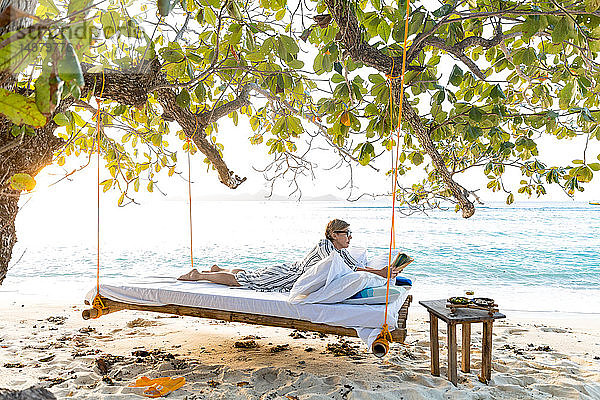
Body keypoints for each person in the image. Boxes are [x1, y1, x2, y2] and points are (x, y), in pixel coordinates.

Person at [177, 219, 412, 292]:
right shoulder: (326, 247)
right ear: (333, 234)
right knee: (246, 281)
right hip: (288, 276)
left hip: (287, 270)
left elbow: (354, 267)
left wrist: (385, 271)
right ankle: (200, 275)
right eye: (346, 233)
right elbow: (350, 270)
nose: (350, 237)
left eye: (351, 233)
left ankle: (219, 269)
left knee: (252, 274)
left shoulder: (341, 251)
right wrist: (379, 272)